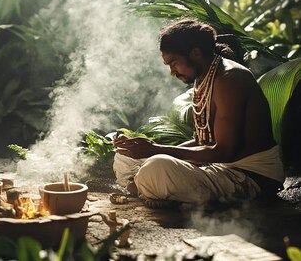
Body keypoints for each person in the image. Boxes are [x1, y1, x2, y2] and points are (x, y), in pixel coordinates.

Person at [112, 18, 284, 207]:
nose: (172, 72)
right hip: (217, 167)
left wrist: (156, 150)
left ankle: (150, 189)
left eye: (174, 63)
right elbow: (202, 140)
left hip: (249, 176)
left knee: (156, 169)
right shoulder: (202, 76)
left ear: (195, 53)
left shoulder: (230, 79)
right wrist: (147, 150)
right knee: (125, 156)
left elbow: (224, 152)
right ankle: (152, 189)